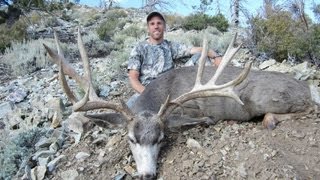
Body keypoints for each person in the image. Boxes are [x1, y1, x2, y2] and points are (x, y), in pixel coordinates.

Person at [126, 11, 222, 108]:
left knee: (200, 55)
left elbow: (195, 50)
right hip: (147, 92)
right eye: (152, 24)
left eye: (159, 23)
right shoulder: (139, 48)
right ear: (148, 28)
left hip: (171, 90)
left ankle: (212, 98)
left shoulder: (170, 46)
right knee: (128, 111)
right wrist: (149, 94)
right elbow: (133, 78)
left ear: (164, 27)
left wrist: (215, 56)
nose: (156, 26)